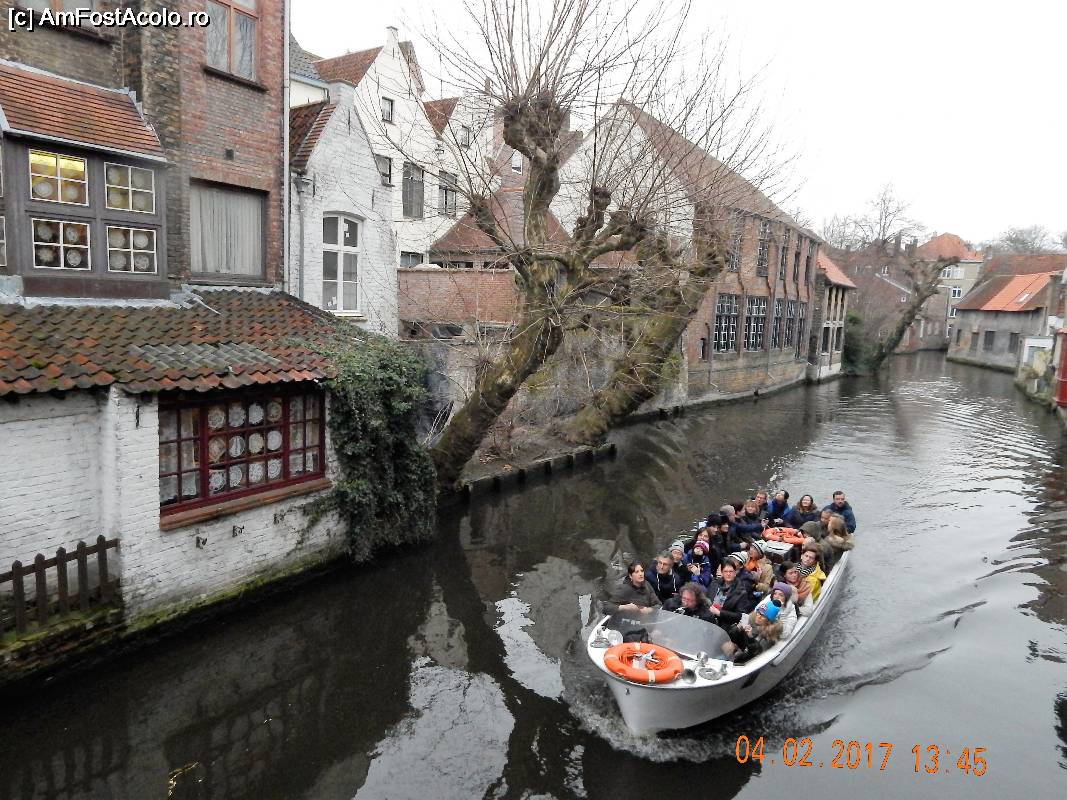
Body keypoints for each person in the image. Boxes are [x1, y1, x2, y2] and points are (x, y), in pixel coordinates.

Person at [706, 558, 754, 629]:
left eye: (731, 571)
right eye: (725, 571)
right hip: (708, 620)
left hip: (725, 626)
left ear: (735, 573)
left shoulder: (741, 592)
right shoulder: (714, 584)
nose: (728, 574)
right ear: (722, 573)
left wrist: (720, 613)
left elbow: (739, 615)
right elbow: (707, 599)